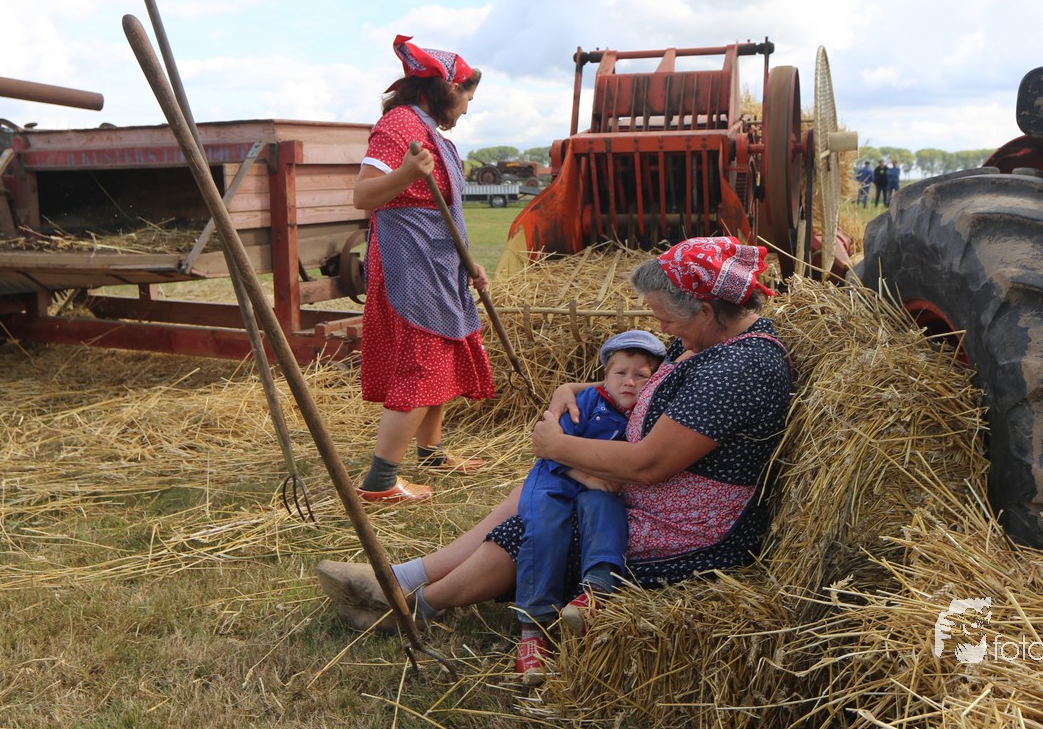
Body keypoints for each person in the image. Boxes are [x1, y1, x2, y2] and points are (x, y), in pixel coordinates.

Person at [316, 236, 796, 680]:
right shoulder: (709, 342)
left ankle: (411, 607)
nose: (662, 327)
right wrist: (573, 388)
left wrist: (556, 446)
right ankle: (400, 579)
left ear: (707, 310)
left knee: (536, 526)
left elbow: (649, 464)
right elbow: (648, 389)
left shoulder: (740, 368)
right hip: (652, 495)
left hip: (686, 524)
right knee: (538, 490)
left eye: (667, 319)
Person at [351, 35, 494, 504]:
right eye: (466, 96)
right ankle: (380, 481)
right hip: (411, 268)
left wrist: (468, 263)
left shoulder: (431, 133)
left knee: (442, 358)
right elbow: (363, 196)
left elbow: (446, 213)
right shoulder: (399, 126)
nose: (467, 108)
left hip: (440, 265)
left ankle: (431, 453)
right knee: (422, 365)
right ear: (446, 89)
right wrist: (407, 174)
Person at [514, 329, 665, 684]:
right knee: (546, 531)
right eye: (620, 373)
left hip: (600, 483)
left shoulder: (648, 415)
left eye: (641, 376)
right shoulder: (586, 402)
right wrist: (587, 476)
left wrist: (597, 483)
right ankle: (532, 627)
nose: (629, 382)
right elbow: (551, 448)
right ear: (605, 376)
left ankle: (596, 590)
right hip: (555, 478)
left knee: (607, 511)